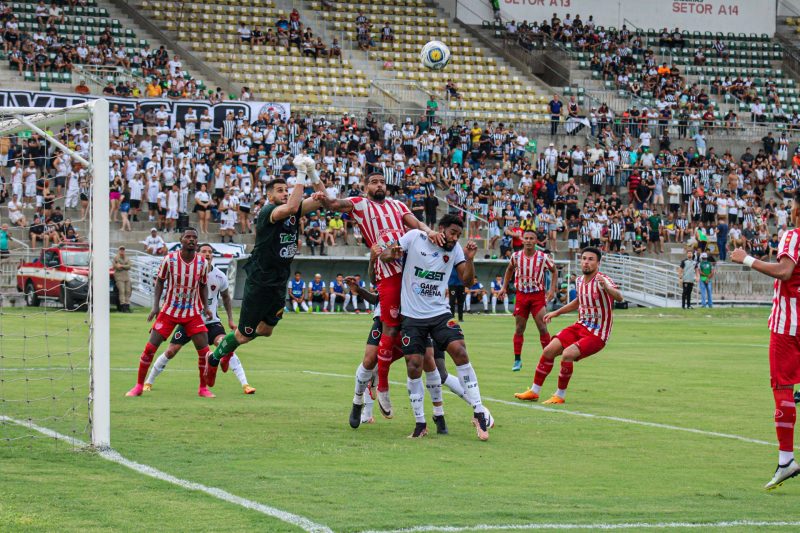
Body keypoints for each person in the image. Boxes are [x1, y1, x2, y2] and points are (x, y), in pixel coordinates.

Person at [318, 172, 443, 418]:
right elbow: (332, 204)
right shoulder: (360, 204)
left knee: (420, 347)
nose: (379, 185)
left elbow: (417, 224)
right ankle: (381, 388)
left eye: (382, 182)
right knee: (390, 330)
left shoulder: (398, 205)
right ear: (365, 187)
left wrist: (430, 232)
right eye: (374, 182)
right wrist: (315, 179)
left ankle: (442, 412)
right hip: (387, 274)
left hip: (410, 274)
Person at [204, 154, 325, 386]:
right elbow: (290, 207)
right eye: (279, 190)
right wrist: (300, 174)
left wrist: (312, 173)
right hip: (261, 280)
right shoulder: (269, 211)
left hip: (279, 279)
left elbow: (323, 200)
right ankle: (216, 357)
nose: (284, 193)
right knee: (243, 334)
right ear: (270, 195)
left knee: (266, 330)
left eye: (285, 189)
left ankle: (227, 348)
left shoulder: (292, 211)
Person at [380, 214, 490, 440]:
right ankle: (420, 423)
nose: (455, 238)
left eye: (458, 235)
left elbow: (468, 281)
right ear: (441, 229)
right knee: (414, 366)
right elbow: (384, 256)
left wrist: (469, 259)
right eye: (452, 233)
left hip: (440, 313)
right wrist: (391, 253)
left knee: (460, 350)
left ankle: (478, 411)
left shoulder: (456, 249)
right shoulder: (414, 237)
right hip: (412, 316)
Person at [731, 196, 800, 489]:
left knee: (783, 388)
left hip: (788, 325)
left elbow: (784, 272)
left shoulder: (794, 235)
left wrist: (746, 259)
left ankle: (786, 460)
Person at [514, 247, 623, 404]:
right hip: (580, 326)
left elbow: (619, 297)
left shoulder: (603, 280)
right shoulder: (579, 281)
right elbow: (579, 302)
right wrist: (556, 313)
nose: (586, 262)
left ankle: (560, 395)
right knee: (548, 350)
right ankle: (534, 391)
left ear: (598, 263)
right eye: (584, 258)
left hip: (597, 334)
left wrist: (607, 287)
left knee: (567, 354)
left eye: (591, 259)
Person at [144, 244, 255, 395]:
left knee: (225, 345)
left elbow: (226, 298)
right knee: (171, 350)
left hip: (212, 322)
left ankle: (245, 384)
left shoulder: (219, 276)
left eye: (210, 252)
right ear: (197, 254)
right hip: (189, 319)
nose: (207, 254)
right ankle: (148, 382)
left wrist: (230, 319)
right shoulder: (190, 274)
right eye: (204, 251)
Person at [125, 228, 213, 398]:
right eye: (188, 237)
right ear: (181, 240)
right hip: (169, 310)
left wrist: (206, 307)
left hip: (192, 312)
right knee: (150, 348)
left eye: (194, 237)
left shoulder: (202, 263)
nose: (191, 240)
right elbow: (160, 282)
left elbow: (202, 286)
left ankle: (203, 389)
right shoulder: (170, 259)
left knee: (204, 351)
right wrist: (155, 306)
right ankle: (138, 386)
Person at [498, 229, 557, 372]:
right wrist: (504, 287)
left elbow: (554, 271)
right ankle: (517, 359)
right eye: (527, 238)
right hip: (522, 295)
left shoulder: (543, 257)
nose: (529, 241)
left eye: (532, 238)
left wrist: (551, 290)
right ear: (523, 240)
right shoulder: (516, 256)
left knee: (542, 327)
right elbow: (509, 270)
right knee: (519, 328)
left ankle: (548, 358)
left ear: (536, 241)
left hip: (537, 295)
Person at [113, 246, 132, 313]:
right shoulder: (116, 258)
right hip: (119, 277)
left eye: (123, 250)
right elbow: (117, 267)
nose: (122, 251)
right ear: (119, 251)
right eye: (121, 250)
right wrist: (124, 266)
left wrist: (122, 266)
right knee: (122, 291)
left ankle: (127, 306)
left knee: (128, 291)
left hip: (126, 277)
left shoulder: (127, 258)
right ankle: (122, 307)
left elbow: (129, 266)